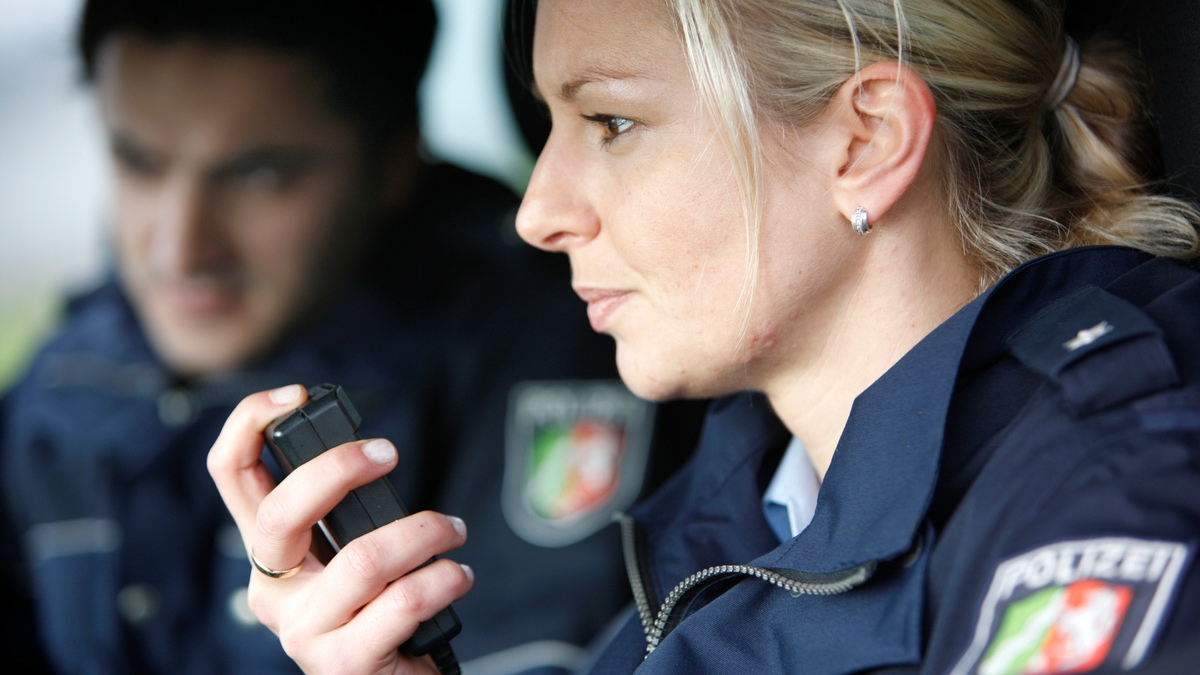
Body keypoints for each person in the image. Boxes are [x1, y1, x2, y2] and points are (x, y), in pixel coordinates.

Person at [206, 0, 1200, 674]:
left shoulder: (1115, 499)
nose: (538, 210)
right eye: (551, 124)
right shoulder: (736, 513)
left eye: (611, 123)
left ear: (867, 143)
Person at [0, 0, 701, 673]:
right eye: (139, 162)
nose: (182, 248)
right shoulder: (68, 375)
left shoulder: (548, 353)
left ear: (397, 163)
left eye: (258, 175)